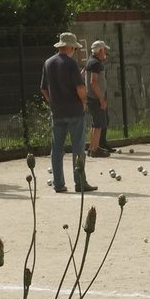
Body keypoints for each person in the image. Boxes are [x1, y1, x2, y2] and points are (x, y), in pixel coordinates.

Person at [40, 32, 94, 193]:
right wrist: (84, 102)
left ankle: (59, 184)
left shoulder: (48, 62)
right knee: (78, 147)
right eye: (75, 49)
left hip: (57, 111)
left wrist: (53, 102)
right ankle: (80, 182)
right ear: (70, 47)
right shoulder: (71, 64)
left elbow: (43, 88)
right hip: (74, 110)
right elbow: (80, 87)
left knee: (56, 149)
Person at [84, 39, 111, 158]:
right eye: (104, 49)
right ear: (100, 50)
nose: (105, 52)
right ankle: (95, 149)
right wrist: (101, 99)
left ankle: (92, 148)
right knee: (99, 125)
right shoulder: (95, 63)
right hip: (95, 98)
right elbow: (93, 82)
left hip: (91, 97)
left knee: (95, 124)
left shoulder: (90, 61)